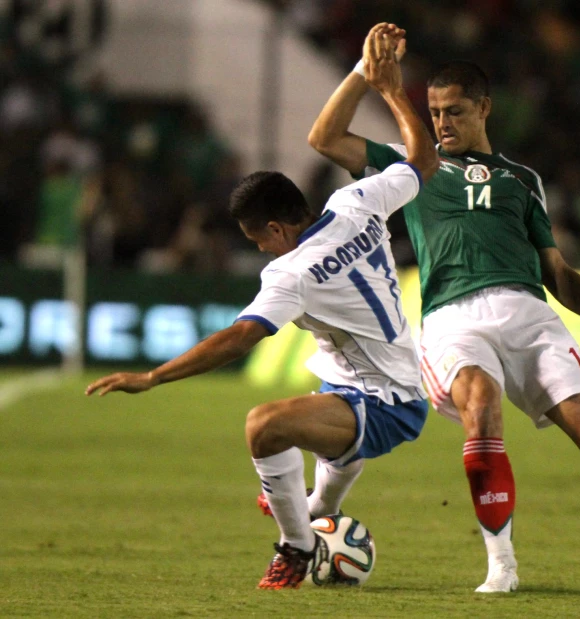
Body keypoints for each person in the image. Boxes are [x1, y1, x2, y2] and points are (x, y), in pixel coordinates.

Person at [309, 25, 580, 593]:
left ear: (484, 109)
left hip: (528, 314)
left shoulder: (523, 181)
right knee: (481, 402)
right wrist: (364, 73)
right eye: (433, 111)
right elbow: (325, 137)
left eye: (453, 111)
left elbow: (556, 272)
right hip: (453, 319)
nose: (442, 122)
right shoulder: (409, 167)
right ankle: (502, 565)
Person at [85, 25, 439, 590]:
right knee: (318, 428)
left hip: (386, 401)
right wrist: (380, 84)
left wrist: (153, 376)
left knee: (264, 426)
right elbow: (422, 162)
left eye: (257, 239)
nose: (259, 249)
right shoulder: (357, 201)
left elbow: (237, 337)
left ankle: (295, 548)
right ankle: (312, 508)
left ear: (276, 228)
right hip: (375, 381)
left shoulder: (291, 272)